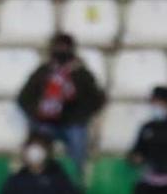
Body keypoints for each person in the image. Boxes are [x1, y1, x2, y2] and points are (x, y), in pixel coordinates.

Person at [16, 32, 106, 173]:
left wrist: (81, 115)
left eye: (65, 47)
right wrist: (37, 112)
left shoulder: (82, 74)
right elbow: (23, 98)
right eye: (58, 46)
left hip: (73, 123)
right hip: (46, 122)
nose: (62, 50)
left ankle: (78, 180)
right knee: (38, 141)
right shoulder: (43, 72)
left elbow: (97, 99)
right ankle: (37, 176)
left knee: (78, 141)